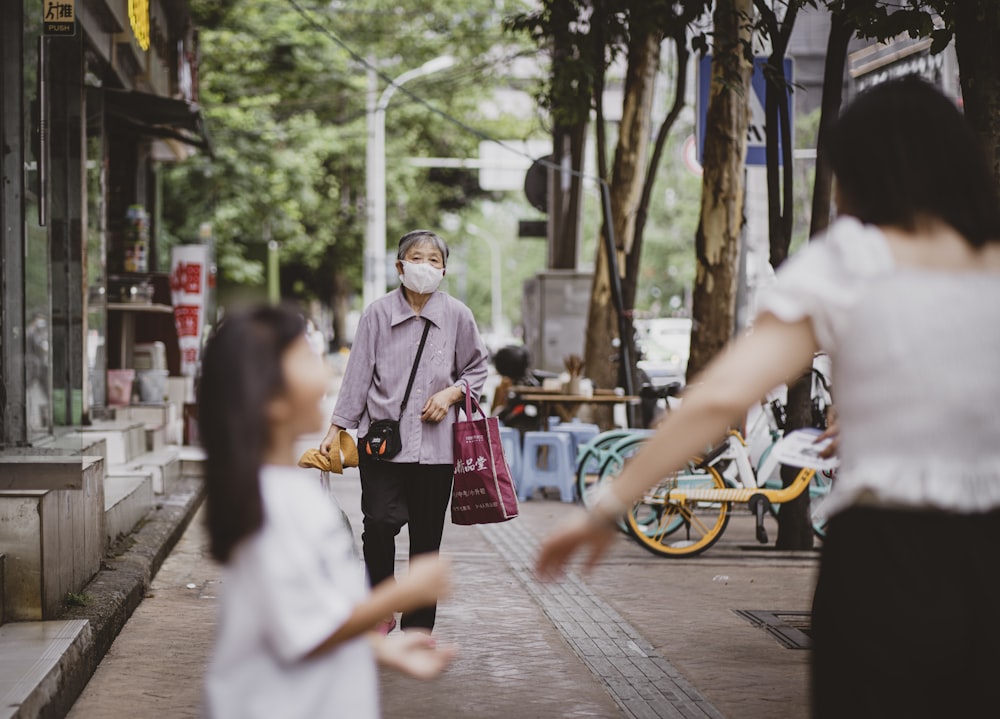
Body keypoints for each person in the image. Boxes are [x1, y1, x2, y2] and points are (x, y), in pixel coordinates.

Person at [536, 77, 1000, 718]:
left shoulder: (851, 259)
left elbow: (721, 395)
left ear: (867, 173)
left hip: (889, 559)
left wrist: (608, 502)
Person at [198, 305, 456, 719]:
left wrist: (380, 651)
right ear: (269, 398)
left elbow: (304, 615)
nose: (321, 367)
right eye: (304, 355)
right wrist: (405, 593)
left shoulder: (288, 494)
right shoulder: (272, 505)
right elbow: (306, 632)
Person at [320, 229, 489, 634]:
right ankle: (381, 604)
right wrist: (336, 427)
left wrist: (450, 394)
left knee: (426, 542)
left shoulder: (458, 316)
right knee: (377, 523)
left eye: (434, 260)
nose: (426, 266)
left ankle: (418, 630)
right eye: (418, 258)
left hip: (436, 450)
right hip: (381, 445)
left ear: (444, 269)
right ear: (400, 266)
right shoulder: (377, 314)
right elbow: (357, 375)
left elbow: (477, 369)